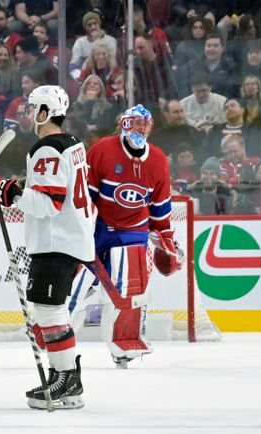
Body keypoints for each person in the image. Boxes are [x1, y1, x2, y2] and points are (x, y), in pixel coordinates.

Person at [0, 85, 91, 409]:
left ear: (44, 112)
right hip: (70, 238)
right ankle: (65, 376)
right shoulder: (73, 144)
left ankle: (67, 379)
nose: (30, 115)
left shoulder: (46, 148)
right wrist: (19, 185)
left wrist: (9, 193)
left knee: (49, 310)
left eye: (33, 109)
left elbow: (47, 204)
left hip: (56, 242)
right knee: (49, 309)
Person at [68, 104, 181, 368]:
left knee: (130, 290)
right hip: (100, 228)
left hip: (134, 232)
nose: (140, 128)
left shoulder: (158, 160)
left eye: (145, 124)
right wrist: (80, 228)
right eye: (135, 122)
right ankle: (59, 335)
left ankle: (123, 344)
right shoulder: (103, 149)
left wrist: (165, 236)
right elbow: (86, 196)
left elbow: (160, 208)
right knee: (78, 282)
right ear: (123, 124)